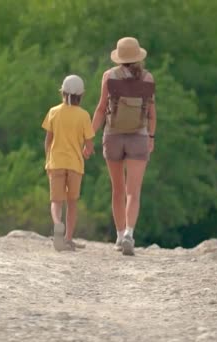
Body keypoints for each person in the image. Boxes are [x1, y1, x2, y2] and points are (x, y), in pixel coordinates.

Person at [90, 37, 156, 256]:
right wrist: (151, 137)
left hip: (113, 136)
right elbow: (151, 113)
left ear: (119, 57)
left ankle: (119, 237)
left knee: (117, 189)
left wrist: (89, 136)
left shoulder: (109, 76)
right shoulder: (148, 78)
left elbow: (101, 109)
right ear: (138, 56)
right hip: (138, 136)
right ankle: (129, 233)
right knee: (133, 191)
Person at [42, 75, 95, 251]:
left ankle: (57, 224)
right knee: (72, 202)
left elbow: (48, 140)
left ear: (62, 92)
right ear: (82, 94)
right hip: (75, 165)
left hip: (56, 162)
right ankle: (69, 239)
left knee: (56, 201)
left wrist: (48, 158)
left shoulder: (53, 112)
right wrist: (87, 152)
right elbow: (88, 145)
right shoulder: (84, 116)